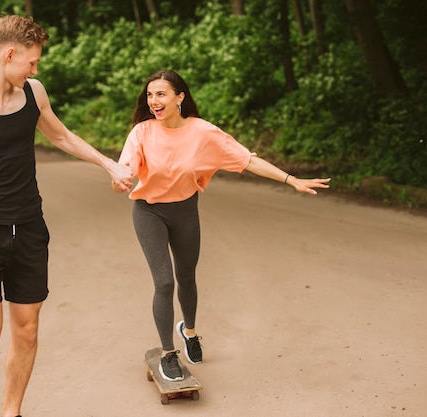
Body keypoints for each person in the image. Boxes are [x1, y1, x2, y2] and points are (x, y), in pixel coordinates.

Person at [0, 15, 132, 417]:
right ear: (9, 54)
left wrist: (109, 165)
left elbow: (61, 136)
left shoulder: (33, 93)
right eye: (32, 62)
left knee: (27, 329)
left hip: (30, 228)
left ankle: (12, 413)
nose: (36, 69)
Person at [113, 70, 330, 382]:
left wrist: (290, 179)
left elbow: (247, 160)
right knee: (164, 283)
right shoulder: (142, 132)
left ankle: (189, 332)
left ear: (179, 97)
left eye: (161, 94)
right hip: (149, 212)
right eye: (149, 95)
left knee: (186, 277)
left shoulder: (202, 132)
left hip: (185, 210)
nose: (154, 101)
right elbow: (127, 167)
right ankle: (167, 354)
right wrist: (121, 177)